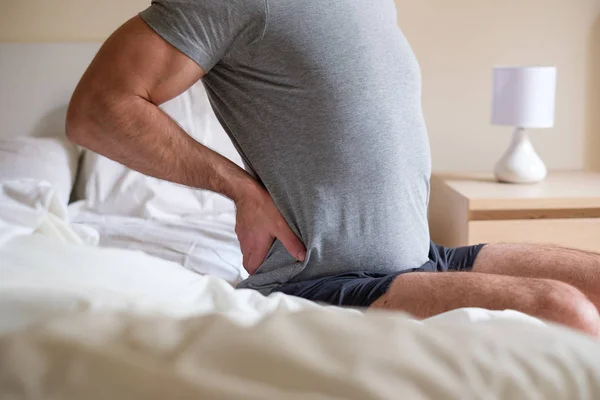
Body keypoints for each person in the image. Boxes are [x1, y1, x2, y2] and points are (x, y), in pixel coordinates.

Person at [66, 0, 600, 336]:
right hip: (320, 281)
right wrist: (238, 189)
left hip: (420, 257)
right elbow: (97, 109)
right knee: (564, 313)